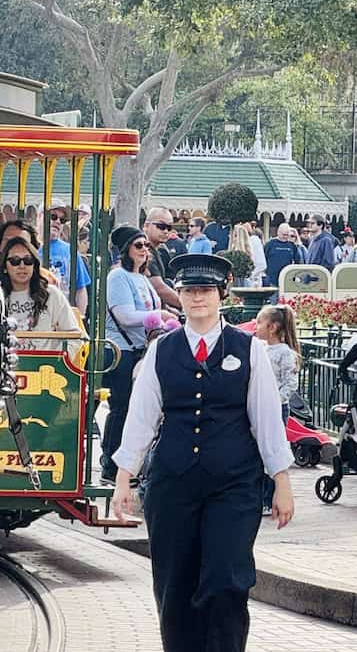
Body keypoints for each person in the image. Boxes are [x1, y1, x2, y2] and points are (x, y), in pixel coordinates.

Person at [110, 252, 295, 652]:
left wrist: (281, 482)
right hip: (173, 484)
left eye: (206, 290)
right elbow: (141, 417)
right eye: (190, 290)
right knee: (175, 587)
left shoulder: (248, 348)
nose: (198, 298)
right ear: (179, 295)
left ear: (221, 293)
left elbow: (266, 419)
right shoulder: (163, 350)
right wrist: (124, 478)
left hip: (234, 485)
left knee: (227, 581)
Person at [101, 226, 177, 484]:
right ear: (125, 250)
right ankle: (110, 464)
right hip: (119, 350)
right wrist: (160, 317)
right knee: (120, 407)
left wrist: (168, 321)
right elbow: (124, 315)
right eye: (139, 246)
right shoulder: (117, 277)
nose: (145, 250)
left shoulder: (142, 278)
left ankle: (130, 463)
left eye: (146, 246)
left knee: (137, 408)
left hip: (141, 349)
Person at [0, 236, 80, 356]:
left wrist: (55, 361)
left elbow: (75, 335)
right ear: (5, 266)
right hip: (3, 368)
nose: (22, 266)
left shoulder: (52, 294)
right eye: (14, 261)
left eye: (28, 260)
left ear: (34, 265)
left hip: (45, 371)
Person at [254, 304, 301, 514]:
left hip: (276, 408)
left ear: (272, 327)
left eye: (259, 322)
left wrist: (275, 401)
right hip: (258, 406)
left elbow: (290, 383)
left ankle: (269, 496)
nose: (256, 326)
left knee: (271, 448)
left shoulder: (284, 353)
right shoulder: (259, 349)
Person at [44, 200, 91, 313]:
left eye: (62, 220)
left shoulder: (70, 251)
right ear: (40, 216)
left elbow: (81, 289)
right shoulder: (29, 247)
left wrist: (79, 319)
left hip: (63, 318)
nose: (58, 222)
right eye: (53, 216)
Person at [142, 207, 181, 308]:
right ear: (146, 226)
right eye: (161, 226)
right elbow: (159, 288)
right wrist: (188, 305)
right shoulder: (143, 250)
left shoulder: (159, 251)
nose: (166, 231)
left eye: (169, 228)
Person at [263, 224, 300, 290]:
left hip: (286, 279)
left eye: (287, 235)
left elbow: (298, 261)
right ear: (278, 232)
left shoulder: (292, 245)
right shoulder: (270, 244)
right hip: (272, 280)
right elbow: (263, 259)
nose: (285, 237)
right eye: (283, 234)